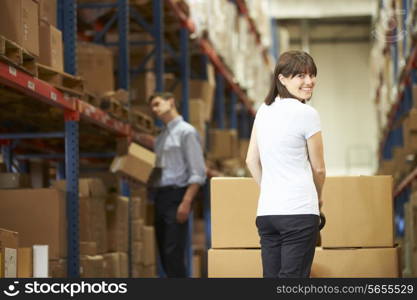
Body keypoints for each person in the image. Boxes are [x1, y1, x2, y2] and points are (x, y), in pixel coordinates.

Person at [245, 50, 326, 278]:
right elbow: (319, 168)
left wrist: (271, 188)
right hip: (299, 212)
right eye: (300, 76)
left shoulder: (263, 110)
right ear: (282, 79)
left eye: (312, 75)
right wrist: (318, 198)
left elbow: (251, 160)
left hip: (267, 214)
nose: (309, 81)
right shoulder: (307, 113)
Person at [147, 92, 206, 278]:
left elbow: (198, 172)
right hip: (161, 196)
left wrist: (186, 202)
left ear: (171, 101)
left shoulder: (186, 131)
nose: (154, 110)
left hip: (177, 196)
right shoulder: (162, 136)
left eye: (157, 104)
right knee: (164, 252)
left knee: (174, 252)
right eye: (152, 107)